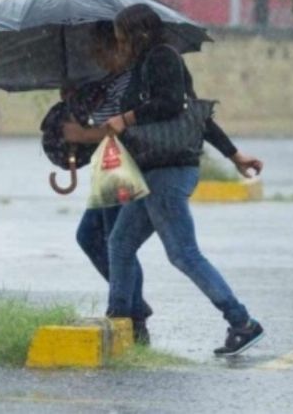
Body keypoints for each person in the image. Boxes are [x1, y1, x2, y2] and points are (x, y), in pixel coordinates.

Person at [63, 19, 262, 350]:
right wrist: (235, 155)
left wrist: (126, 119)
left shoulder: (162, 57)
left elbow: (173, 104)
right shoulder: (144, 67)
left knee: (183, 254)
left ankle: (241, 320)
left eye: (122, 37)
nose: (120, 44)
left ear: (139, 33)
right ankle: (122, 321)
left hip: (169, 172)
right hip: (151, 172)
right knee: (120, 243)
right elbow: (198, 116)